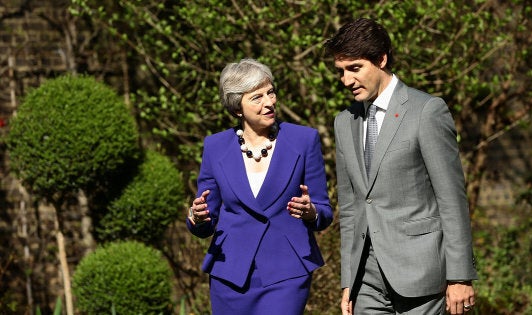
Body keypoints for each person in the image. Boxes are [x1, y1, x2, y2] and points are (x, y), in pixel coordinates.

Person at [325, 18, 478, 315]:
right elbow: (352, 207)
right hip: (366, 281)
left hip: (421, 275)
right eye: (341, 71)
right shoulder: (344, 122)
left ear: (381, 59)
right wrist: (348, 281)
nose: (346, 80)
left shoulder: (427, 111)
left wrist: (460, 276)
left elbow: (451, 199)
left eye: (354, 68)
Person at [187, 58, 333, 314]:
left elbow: (323, 212)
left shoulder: (303, 140)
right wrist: (198, 218)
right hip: (230, 272)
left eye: (270, 92)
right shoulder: (215, 146)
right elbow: (205, 220)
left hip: (287, 270)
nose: (269, 102)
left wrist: (311, 212)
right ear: (237, 109)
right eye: (257, 97)